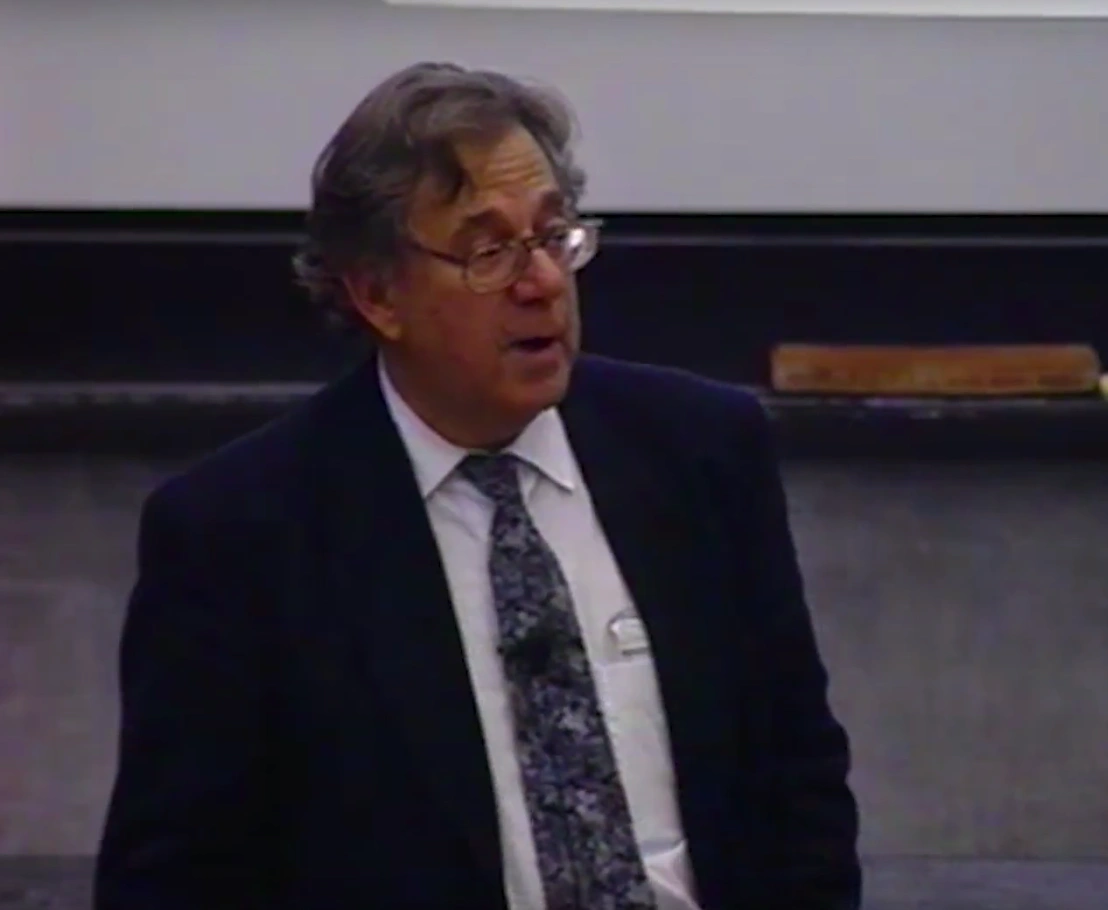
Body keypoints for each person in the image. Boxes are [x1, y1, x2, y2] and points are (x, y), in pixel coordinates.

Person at [94, 62, 860, 910]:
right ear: (378, 292)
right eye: (489, 251)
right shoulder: (240, 535)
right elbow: (174, 881)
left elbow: (800, 785)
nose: (540, 283)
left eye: (553, 235)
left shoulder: (701, 451)